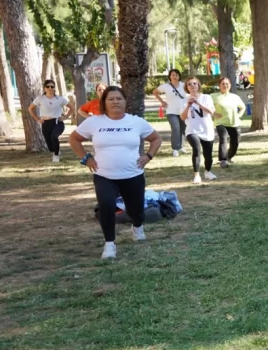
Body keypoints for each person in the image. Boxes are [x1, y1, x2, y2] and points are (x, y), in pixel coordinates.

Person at [68, 86, 161, 259]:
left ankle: (137, 226)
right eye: (111, 99)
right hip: (104, 175)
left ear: (125, 102)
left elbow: (156, 139)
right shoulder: (94, 122)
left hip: (133, 174)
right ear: (104, 102)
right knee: (106, 206)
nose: (115, 102)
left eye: (119, 98)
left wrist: (148, 156)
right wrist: (86, 158)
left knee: (136, 210)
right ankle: (109, 244)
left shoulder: (136, 121)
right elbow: (74, 139)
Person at [181, 77, 218, 185]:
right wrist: (188, 105)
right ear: (186, 87)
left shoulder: (206, 97)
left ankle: (208, 171)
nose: (192, 86)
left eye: (194, 83)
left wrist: (198, 103)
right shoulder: (183, 100)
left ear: (198, 86)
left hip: (207, 129)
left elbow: (211, 111)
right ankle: (196, 175)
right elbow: (183, 117)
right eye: (189, 84)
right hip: (192, 130)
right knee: (196, 149)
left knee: (208, 153)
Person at [29, 79, 72, 162]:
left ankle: (56, 156)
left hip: (57, 122)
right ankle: (56, 151)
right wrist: (37, 119)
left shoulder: (60, 99)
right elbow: (30, 109)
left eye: (52, 87)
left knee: (54, 136)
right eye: (48, 86)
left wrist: (65, 117)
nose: (50, 88)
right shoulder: (40, 98)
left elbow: (72, 108)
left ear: (54, 88)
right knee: (50, 147)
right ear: (45, 88)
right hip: (45, 123)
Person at [212, 77, 246, 168]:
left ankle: (229, 157)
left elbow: (242, 107)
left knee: (235, 142)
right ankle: (222, 160)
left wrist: (239, 115)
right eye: (223, 84)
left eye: (227, 84)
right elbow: (206, 107)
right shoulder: (214, 96)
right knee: (223, 139)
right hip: (221, 122)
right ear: (219, 86)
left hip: (235, 123)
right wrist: (214, 113)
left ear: (230, 85)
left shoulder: (235, 97)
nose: (225, 85)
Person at [153, 69, 188, 157]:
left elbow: (189, 94)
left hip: (183, 111)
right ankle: (175, 148)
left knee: (183, 128)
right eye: (172, 75)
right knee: (176, 128)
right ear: (169, 76)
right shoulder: (166, 86)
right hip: (171, 111)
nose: (175, 76)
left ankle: (181, 146)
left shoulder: (184, 85)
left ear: (179, 76)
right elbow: (155, 92)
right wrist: (162, 102)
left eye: (176, 75)